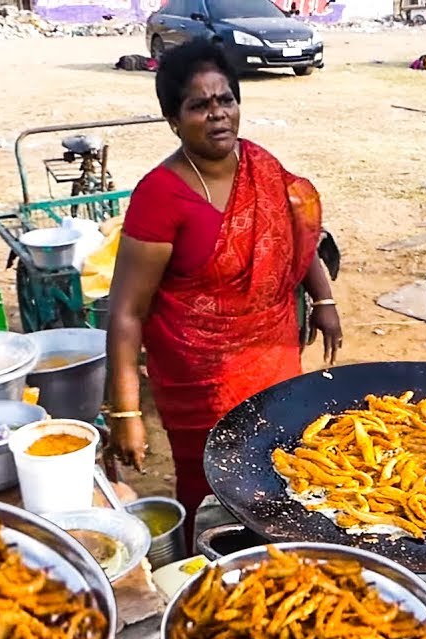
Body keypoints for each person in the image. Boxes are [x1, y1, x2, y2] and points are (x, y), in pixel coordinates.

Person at [105, 37, 343, 541]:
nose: (218, 115)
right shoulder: (160, 195)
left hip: (274, 361)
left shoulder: (260, 165)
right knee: (214, 491)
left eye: (226, 100)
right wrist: (126, 411)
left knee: (287, 473)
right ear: (173, 119)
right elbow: (127, 311)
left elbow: (298, 238)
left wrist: (323, 299)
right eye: (199, 105)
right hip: (203, 383)